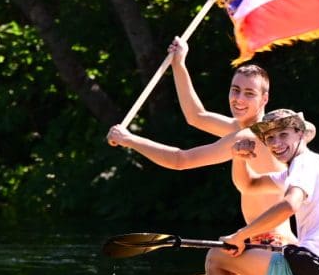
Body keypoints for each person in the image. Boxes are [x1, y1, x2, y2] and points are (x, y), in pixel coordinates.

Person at [105, 37, 302, 248]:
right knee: (214, 264)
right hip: (264, 243)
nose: (239, 99)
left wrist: (129, 139)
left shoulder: (250, 136)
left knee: (214, 261)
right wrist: (179, 64)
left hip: (274, 244)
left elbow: (180, 160)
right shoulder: (241, 129)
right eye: (235, 90)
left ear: (264, 99)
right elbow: (196, 116)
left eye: (249, 93)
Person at [189, 109, 319, 275]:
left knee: (216, 257)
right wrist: (239, 158)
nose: (276, 143)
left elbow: (289, 204)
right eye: (270, 138)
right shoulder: (301, 169)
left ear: (300, 133)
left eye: (283, 134)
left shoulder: (305, 163)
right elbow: (249, 185)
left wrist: (241, 236)